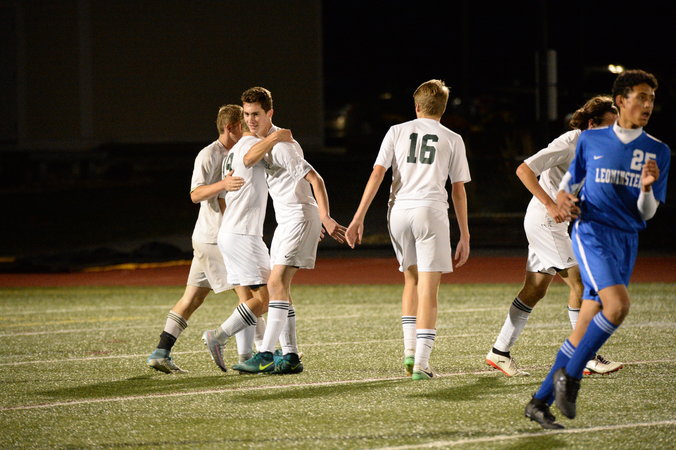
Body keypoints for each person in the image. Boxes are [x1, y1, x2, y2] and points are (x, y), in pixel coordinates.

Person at [525, 69, 670, 429]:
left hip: (626, 240)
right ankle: (571, 377)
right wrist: (562, 200)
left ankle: (539, 402)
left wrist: (647, 187)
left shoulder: (658, 150)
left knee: (583, 328)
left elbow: (647, 212)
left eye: (651, 98)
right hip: (592, 233)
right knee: (617, 306)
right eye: (641, 97)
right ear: (621, 101)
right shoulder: (591, 141)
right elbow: (568, 184)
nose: (647, 105)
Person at [486, 96, 623, 377]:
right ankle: (586, 356)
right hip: (545, 221)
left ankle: (499, 352)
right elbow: (524, 169)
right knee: (582, 284)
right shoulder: (569, 142)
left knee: (535, 290)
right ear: (591, 124)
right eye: (609, 126)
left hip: (552, 224)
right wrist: (550, 204)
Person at [345, 79, 471, 380]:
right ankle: (422, 365)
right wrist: (465, 234)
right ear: (443, 108)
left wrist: (358, 217)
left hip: (399, 212)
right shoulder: (453, 138)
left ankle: (410, 353)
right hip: (430, 212)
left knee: (411, 281)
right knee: (429, 288)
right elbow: (458, 190)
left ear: (416, 107)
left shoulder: (396, 131)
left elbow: (377, 174)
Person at [231, 86, 346, 374]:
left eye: (256, 114)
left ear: (270, 112)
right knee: (281, 288)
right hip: (288, 221)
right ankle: (291, 356)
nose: (250, 120)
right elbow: (247, 160)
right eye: (247, 114)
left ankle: (266, 354)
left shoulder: (284, 147)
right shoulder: (270, 140)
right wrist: (272, 137)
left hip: (298, 218)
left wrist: (324, 217)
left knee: (276, 284)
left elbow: (315, 179)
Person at [146, 104, 245, 373]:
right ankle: (253, 354)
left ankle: (160, 352)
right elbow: (195, 194)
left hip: (209, 237)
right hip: (214, 239)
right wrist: (223, 185)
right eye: (243, 125)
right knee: (251, 295)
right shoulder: (209, 154)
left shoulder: (237, 152)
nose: (248, 128)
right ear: (230, 127)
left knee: (192, 299)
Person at [201, 122, 294, 372]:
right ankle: (218, 336)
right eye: (251, 116)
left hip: (231, 232)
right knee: (268, 299)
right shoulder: (252, 144)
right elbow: (253, 158)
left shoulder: (232, 151)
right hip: (243, 235)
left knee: (248, 301)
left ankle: (245, 356)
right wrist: (277, 137)